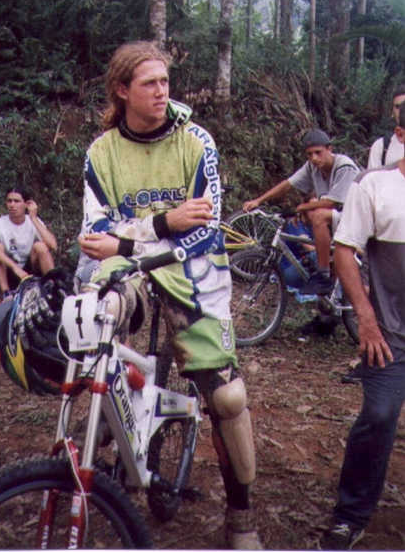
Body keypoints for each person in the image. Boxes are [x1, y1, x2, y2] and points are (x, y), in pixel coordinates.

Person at [75, 40, 260, 549]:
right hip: (130, 266)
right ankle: (98, 453)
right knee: (95, 329)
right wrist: (161, 223)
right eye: (149, 84)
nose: (162, 92)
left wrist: (131, 233)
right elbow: (95, 234)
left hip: (194, 271)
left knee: (226, 395)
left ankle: (242, 519)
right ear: (122, 91)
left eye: (165, 82)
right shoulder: (101, 153)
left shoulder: (197, 141)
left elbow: (204, 228)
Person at [319, 101, 405, 550]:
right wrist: (366, 321)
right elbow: (344, 250)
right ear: (400, 136)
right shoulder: (376, 186)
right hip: (393, 336)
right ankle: (350, 514)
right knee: (378, 415)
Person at [242, 129, 360, 297]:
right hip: (338, 218)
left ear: (329, 149)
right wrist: (258, 201)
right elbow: (288, 184)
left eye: (318, 153)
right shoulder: (312, 167)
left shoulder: (344, 166)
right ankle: (321, 259)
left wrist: (303, 207)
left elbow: (333, 202)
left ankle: (323, 274)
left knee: (316, 214)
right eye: (309, 154)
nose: (314, 158)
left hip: (356, 218)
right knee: (306, 216)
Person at [0, 187, 57, 297]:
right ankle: (6, 293)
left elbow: (53, 245)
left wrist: (33, 218)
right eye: (9, 201)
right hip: (9, 271)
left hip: (29, 270)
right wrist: (15, 268)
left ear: (26, 204)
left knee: (41, 246)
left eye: (17, 201)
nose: (12, 205)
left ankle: (53, 288)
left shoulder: (33, 221)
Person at [367, 84, 405, 169]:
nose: (402, 110)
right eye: (398, 107)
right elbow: (371, 180)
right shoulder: (381, 146)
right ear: (392, 111)